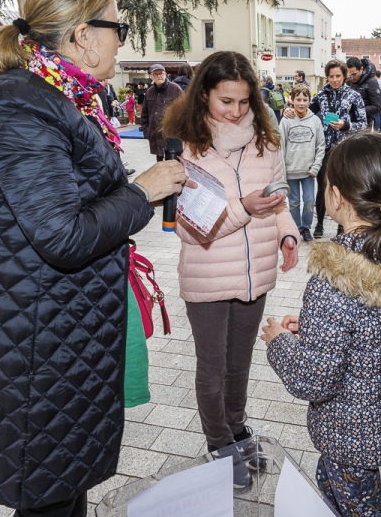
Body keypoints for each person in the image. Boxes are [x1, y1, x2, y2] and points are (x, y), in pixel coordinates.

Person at [0, 0, 192, 517]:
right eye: (117, 29)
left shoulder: (56, 95)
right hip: (32, 344)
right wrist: (142, 192)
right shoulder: (17, 105)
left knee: (60, 490)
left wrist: (133, 193)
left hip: (55, 331)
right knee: (47, 496)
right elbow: (63, 234)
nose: (122, 43)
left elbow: (64, 203)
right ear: (82, 34)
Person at [262, 132, 381, 517]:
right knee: (331, 490)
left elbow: (312, 380)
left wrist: (279, 342)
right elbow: (368, 333)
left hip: (348, 434)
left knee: (360, 506)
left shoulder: (334, 281)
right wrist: (310, 329)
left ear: (336, 196)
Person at [161, 50, 299, 486]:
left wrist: (287, 233)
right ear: (204, 96)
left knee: (239, 364)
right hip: (206, 276)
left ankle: (238, 430)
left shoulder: (267, 141)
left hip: (255, 273)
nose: (236, 111)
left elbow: (279, 203)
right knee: (212, 366)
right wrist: (243, 207)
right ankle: (220, 443)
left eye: (244, 101)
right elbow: (188, 230)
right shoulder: (182, 148)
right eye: (226, 101)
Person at [288, 59, 367, 239]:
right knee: (323, 188)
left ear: (344, 76)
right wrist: (289, 112)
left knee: (344, 188)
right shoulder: (321, 96)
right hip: (323, 150)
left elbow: (363, 124)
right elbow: (304, 113)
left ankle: (342, 225)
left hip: (345, 150)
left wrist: (345, 125)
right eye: (331, 76)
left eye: (338, 76)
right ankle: (320, 224)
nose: (334, 80)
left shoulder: (354, 96)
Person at [280, 83, 325, 243]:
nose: (301, 103)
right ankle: (296, 228)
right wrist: (282, 172)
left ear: (309, 100)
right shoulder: (286, 121)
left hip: (308, 171)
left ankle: (306, 227)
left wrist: (316, 166)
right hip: (291, 171)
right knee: (293, 202)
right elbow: (280, 146)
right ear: (291, 100)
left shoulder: (315, 121)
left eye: (304, 99)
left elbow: (321, 145)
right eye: (297, 99)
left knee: (309, 201)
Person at [139, 64, 182, 161]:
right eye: (156, 74)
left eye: (161, 73)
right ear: (151, 76)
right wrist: (147, 131)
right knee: (159, 162)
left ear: (165, 74)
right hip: (155, 134)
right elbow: (144, 114)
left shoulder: (175, 89)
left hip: (172, 134)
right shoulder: (149, 92)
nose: (159, 76)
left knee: (173, 162)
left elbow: (184, 111)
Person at [347, 57, 381, 132]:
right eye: (350, 74)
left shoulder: (371, 82)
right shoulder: (352, 81)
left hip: (364, 126)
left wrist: (357, 110)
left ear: (361, 69)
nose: (352, 78)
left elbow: (378, 107)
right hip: (350, 124)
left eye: (354, 74)